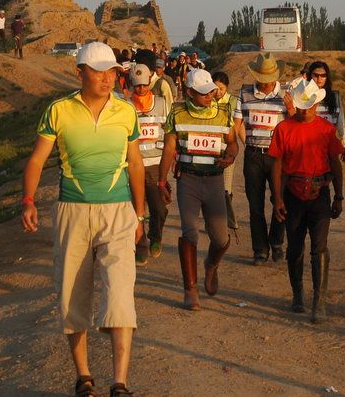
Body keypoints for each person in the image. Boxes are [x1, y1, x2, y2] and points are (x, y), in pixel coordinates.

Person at [21, 42, 145, 397]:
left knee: (120, 292)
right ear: (80, 73)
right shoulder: (58, 111)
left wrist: (140, 214)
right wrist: (28, 200)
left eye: (111, 71)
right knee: (73, 296)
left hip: (118, 211)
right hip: (72, 211)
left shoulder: (125, 112)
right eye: (97, 70)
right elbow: (36, 160)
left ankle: (120, 382)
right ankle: (84, 378)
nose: (106, 77)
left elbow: (135, 164)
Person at [159, 69, 238, 311]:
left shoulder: (224, 113)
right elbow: (169, 147)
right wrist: (162, 182)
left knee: (221, 237)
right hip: (189, 180)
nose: (209, 96)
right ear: (190, 92)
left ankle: (211, 265)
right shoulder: (178, 112)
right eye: (203, 93)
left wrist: (231, 156)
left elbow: (232, 142)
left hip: (214, 181)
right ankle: (190, 290)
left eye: (211, 91)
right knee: (189, 232)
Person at [269, 80, 344, 321]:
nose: (303, 111)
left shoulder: (326, 130)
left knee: (319, 247)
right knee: (295, 247)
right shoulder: (284, 129)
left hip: (319, 192)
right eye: (300, 106)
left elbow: (335, 163)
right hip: (293, 193)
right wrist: (277, 197)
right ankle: (298, 293)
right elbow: (277, 164)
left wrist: (339, 196)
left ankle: (319, 301)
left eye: (308, 106)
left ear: (316, 104)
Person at [233, 53, 289, 265]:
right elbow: (237, 123)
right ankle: (260, 249)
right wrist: (234, 143)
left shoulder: (285, 95)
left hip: (278, 158)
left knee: (279, 200)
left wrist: (291, 110)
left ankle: (276, 241)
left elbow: (292, 125)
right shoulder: (244, 93)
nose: (266, 82)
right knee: (255, 205)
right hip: (254, 155)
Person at [128, 64, 170, 265]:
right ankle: (141, 244)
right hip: (133, 165)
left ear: (149, 83)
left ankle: (156, 236)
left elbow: (170, 134)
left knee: (159, 208)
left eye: (144, 86)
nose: (141, 90)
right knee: (137, 209)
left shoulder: (162, 103)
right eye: (137, 87)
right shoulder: (126, 106)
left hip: (156, 165)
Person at [213, 71, 239, 238]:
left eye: (221, 88)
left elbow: (237, 127)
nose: (218, 92)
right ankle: (216, 221)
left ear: (227, 88)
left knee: (226, 189)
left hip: (227, 149)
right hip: (212, 150)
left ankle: (226, 220)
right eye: (215, 88)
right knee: (214, 188)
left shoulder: (233, 102)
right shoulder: (208, 101)